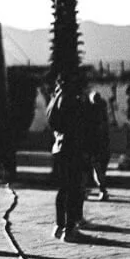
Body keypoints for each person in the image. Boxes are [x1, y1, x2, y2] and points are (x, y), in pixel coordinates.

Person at [46, 75, 89, 243]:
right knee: (73, 189)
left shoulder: (53, 100)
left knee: (63, 189)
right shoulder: (71, 100)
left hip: (58, 147)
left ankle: (59, 225)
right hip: (72, 148)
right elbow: (78, 126)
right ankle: (69, 229)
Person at [86, 90, 110, 201]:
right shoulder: (103, 113)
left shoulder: (92, 112)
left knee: (94, 168)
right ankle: (101, 190)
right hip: (103, 145)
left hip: (93, 145)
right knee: (99, 169)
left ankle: (102, 190)